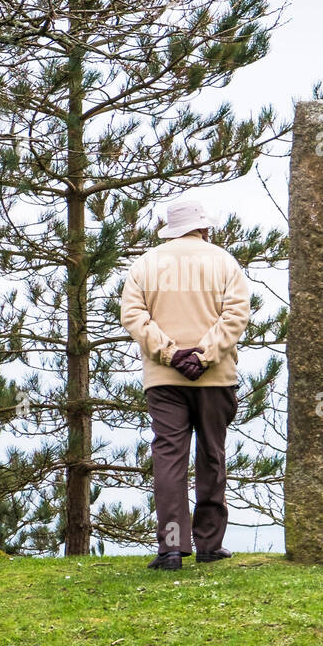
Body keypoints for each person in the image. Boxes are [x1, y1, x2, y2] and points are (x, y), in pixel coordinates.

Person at [120, 196, 249, 571]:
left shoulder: (145, 264)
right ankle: (210, 544)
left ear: (170, 230)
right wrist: (204, 355)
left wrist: (170, 354)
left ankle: (172, 548)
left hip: (163, 380)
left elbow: (133, 315)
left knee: (169, 461)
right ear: (203, 227)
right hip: (215, 378)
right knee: (212, 456)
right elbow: (236, 315)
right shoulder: (224, 262)